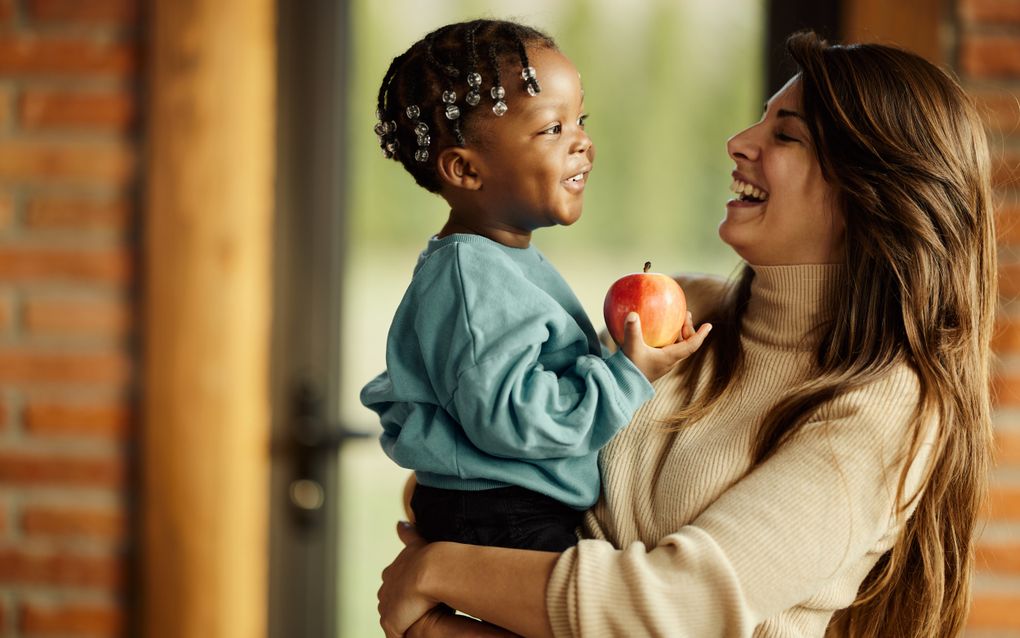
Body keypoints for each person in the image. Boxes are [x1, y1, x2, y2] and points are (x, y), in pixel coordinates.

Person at [377, 31, 996, 638]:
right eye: (761, 121)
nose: (738, 142)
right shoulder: (679, 313)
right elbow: (500, 455)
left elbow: (673, 608)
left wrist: (439, 577)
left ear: (871, 195)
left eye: (784, 135)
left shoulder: (884, 412)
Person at [360, 19, 711, 555]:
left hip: (510, 505)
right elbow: (511, 420)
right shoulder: (470, 276)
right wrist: (627, 375)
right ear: (465, 170)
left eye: (580, 120)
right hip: (501, 512)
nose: (583, 142)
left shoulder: (500, 261)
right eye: (553, 129)